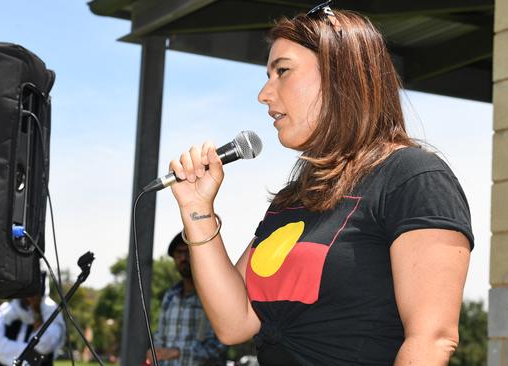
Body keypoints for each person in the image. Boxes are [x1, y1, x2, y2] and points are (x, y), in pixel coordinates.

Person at [164, 2, 473, 365]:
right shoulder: (291, 200)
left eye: (282, 71)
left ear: (341, 75)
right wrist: (197, 209)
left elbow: (431, 339)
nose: (264, 93)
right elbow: (235, 323)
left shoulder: (414, 178)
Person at [145, 233, 226, 366]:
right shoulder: (170, 296)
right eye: (178, 253)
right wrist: (155, 352)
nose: (183, 258)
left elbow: (219, 347)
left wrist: (177, 352)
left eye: (188, 251)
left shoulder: (215, 295)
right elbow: (159, 338)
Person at [0, 274, 66, 366]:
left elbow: (44, 345)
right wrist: (28, 350)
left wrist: (37, 312)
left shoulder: (51, 311)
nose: (31, 297)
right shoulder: (7, 310)